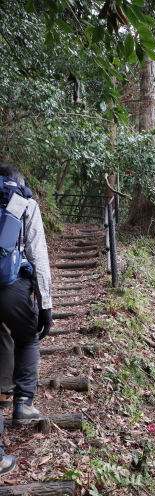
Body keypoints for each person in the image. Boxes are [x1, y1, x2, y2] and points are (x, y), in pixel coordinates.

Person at [0, 163, 52, 477]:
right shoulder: (25, 204)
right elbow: (38, 254)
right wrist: (46, 305)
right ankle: (23, 403)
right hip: (12, 290)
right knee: (28, 337)